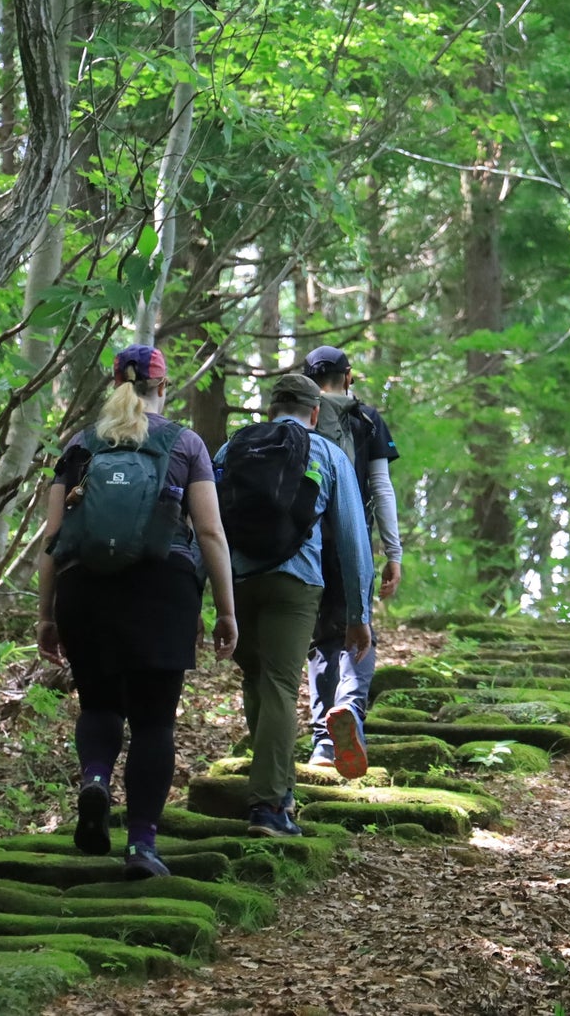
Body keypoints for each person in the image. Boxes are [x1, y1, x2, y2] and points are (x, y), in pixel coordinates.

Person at [37, 343, 237, 880]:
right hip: (162, 588)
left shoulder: (79, 446)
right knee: (153, 722)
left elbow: (53, 539)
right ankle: (143, 847)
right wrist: (226, 611)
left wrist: (47, 616)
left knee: (99, 705)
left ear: (114, 385)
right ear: (162, 388)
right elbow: (212, 533)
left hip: (85, 589)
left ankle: (96, 780)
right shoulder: (185, 443)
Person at [216, 371, 373, 835]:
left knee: (258, 681)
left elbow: (207, 524)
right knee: (282, 686)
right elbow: (352, 539)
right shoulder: (327, 452)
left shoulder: (231, 449)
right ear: (316, 411)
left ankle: (279, 792)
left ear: (271, 408)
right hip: (296, 583)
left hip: (239, 582)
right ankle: (267, 806)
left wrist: (205, 596)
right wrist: (358, 614)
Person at [301, 344, 402, 773]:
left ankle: (324, 744)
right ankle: (349, 710)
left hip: (304, 543)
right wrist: (393, 551)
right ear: (348, 376)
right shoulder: (365, 419)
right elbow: (381, 488)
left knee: (320, 639)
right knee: (359, 632)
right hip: (352, 538)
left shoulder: (298, 418)